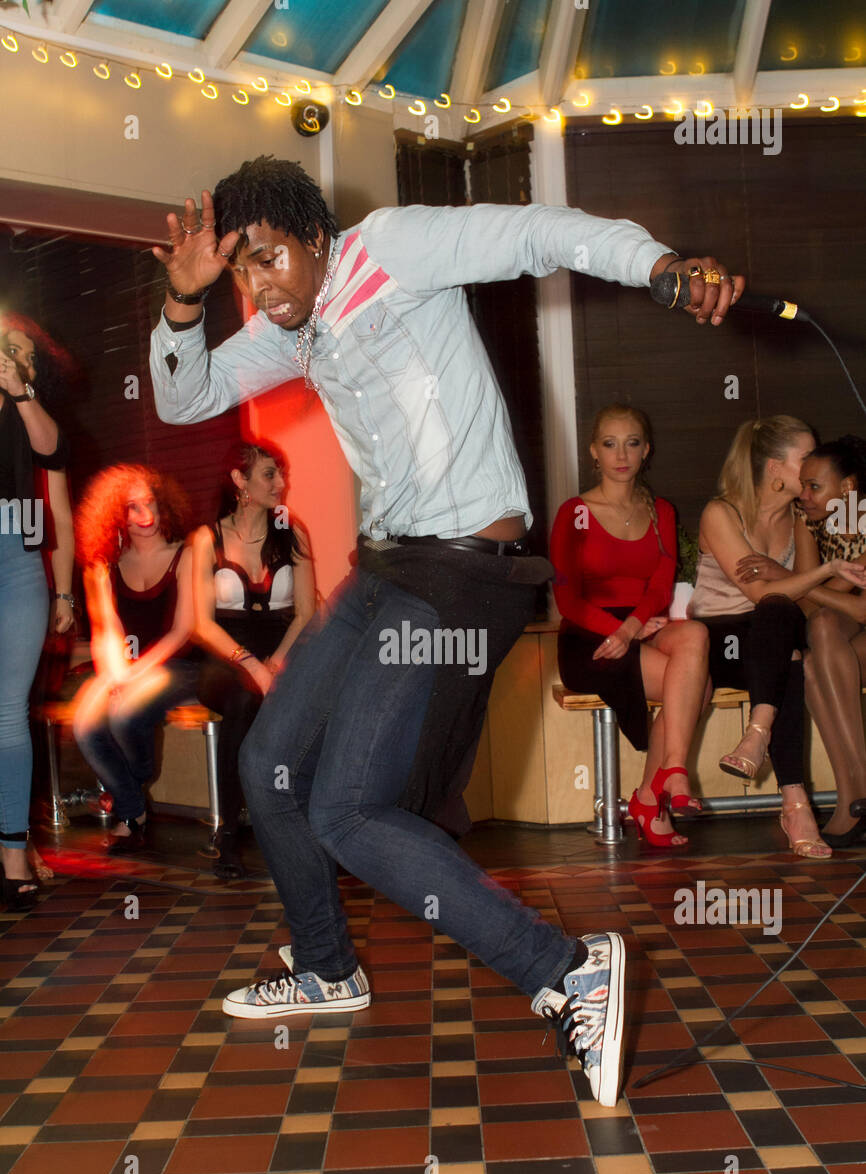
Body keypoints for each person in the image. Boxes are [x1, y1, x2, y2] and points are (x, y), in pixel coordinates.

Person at [148, 155, 743, 1107]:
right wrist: (183, 310)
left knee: (348, 808)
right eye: (241, 275)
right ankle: (326, 965)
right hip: (389, 567)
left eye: (268, 260)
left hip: (467, 570)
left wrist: (660, 264)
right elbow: (185, 396)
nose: (258, 287)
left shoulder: (391, 247)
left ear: (314, 238)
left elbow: (538, 232)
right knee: (271, 767)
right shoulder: (290, 330)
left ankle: (566, 972)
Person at [690, 417, 866, 858]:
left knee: (795, 648)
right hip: (724, 640)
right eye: (805, 458)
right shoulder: (723, 512)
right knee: (789, 642)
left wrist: (794, 576)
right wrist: (812, 575)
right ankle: (805, 801)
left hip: (775, 635)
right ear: (774, 468)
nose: (811, 471)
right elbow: (775, 593)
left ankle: (765, 742)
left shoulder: (807, 516)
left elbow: (809, 597)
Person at [551, 404, 710, 848]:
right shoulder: (574, 513)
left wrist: (635, 625)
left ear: (646, 451)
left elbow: (662, 584)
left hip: (643, 621)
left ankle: (664, 780)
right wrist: (619, 631)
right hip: (589, 636)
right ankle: (653, 796)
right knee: (700, 685)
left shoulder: (660, 510)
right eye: (610, 443)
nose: (621, 454)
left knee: (695, 636)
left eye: (632, 443)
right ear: (593, 453)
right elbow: (567, 598)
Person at [191, 444, 316, 877]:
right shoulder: (206, 538)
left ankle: (312, 823)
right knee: (244, 702)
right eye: (269, 475)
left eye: (281, 474)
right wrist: (252, 665)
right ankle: (227, 831)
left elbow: (306, 613)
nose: (280, 484)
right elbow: (201, 624)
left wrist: (277, 663)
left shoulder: (292, 533)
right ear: (239, 481)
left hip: (283, 650)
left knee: (316, 696)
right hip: (226, 657)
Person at [73, 465, 200, 853]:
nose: (145, 517)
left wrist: (132, 677)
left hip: (180, 665)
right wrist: (115, 676)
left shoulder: (188, 552)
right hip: (122, 667)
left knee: (125, 714)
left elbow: (183, 631)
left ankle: (130, 797)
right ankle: (134, 809)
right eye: (133, 508)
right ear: (117, 514)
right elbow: (105, 628)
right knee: (84, 723)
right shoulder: (102, 564)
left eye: (152, 505)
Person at [750, 436, 866, 846]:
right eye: (804, 484)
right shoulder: (808, 520)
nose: (805, 494)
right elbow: (809, 602)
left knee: (824, 635)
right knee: (815, 650)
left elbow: (860, 609)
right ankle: (853, 801)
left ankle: (860, 790)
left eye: (815, 486)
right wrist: (822, 579)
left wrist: (785, 578)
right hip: (844, 634)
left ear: (848, 488)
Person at [0, 313, 75, 908]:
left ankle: (12, 849)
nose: (4, 354)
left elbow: (53, 459)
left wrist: (65, 592)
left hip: (17, 563)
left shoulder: (31, 414)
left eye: (16, 349)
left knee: (7, 713)